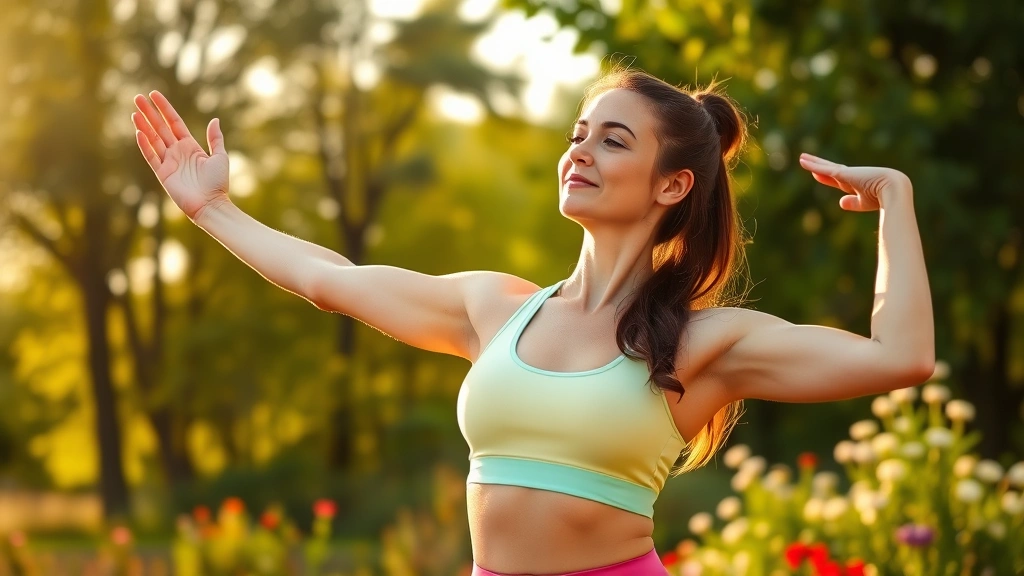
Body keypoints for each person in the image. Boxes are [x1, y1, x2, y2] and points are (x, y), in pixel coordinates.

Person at [131, 67, 934, 576]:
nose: (579, 151)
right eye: (577, 134)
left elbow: (899, 357)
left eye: (612, 141)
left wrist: (894, 199)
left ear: (672, 186)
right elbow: (330, 280)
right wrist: (211, 210)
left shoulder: (705, 342)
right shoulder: (495, 308)